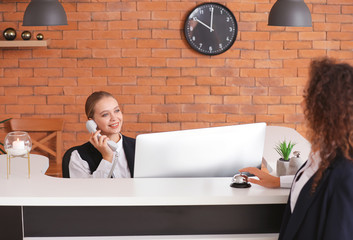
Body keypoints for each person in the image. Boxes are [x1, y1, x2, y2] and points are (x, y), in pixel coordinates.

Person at [249, 58, 353, 239]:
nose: (302, 105)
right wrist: (277, 182)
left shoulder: (346, 173)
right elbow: (314, 182)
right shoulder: (323, 153)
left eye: (308, 97)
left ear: (326, 108)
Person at [68, 91, 135, 178]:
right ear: (92, 122)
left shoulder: (140, 147)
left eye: (117, 110)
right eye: (105, 114)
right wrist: (107, 157)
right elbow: (87, 191)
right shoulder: (78, 157)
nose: (114, 118)